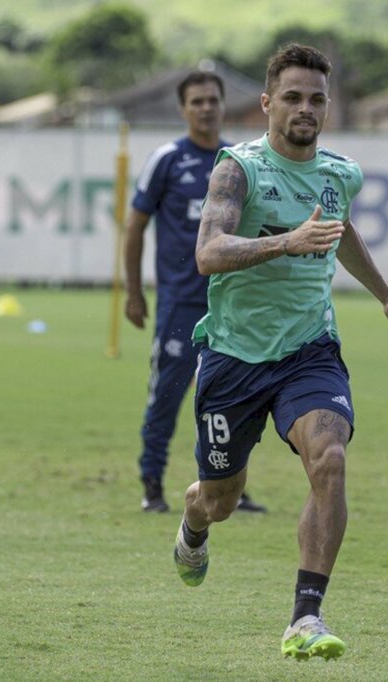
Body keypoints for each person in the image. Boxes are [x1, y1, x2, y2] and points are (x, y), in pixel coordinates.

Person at [171, 44, 388, 661]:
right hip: (234, 356)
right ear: (267, 103)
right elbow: (209, 253)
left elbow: (341, 234)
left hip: (309, 351)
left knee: (330, 459)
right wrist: (287, 242)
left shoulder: (340, 173)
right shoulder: (239, 169)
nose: (305, 109)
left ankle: (305, 616)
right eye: (292, 97)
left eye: (316, 98)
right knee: (221, 500)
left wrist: (387, 300)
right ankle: (193, 521)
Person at [124, 70, 267, 515]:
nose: (206, 108)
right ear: (184, 109)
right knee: (166, 395)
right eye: (197, 101)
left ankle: (230, 488)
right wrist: (134, 291)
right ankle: (152, 485)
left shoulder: (239, 161)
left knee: (235, 400)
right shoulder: (167, 159)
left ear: (223, 105)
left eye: (212, 100)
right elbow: (135, 227)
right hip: (181, 304)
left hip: (230, 306)